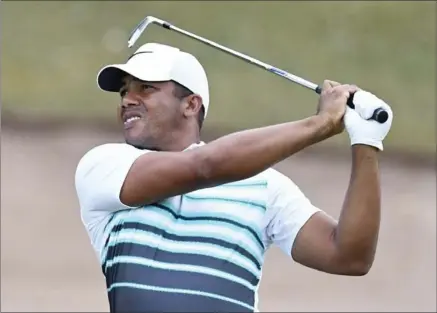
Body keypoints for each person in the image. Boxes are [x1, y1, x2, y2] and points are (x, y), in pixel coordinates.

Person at [74, 42, 393, 313]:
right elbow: (204, 166)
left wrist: (366, 141)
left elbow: (349, 256)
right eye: (124, 92)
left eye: (146, 88)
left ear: (190, 104)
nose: (128, 99)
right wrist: (320, 124)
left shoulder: (264, 186)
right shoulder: (105, 166)